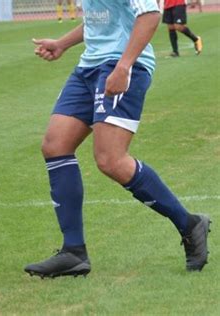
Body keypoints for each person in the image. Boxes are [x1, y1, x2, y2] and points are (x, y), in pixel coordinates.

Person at [25, 0, 210, 279]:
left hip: (122, 65)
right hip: (90, 66)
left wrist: (124, 66)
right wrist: (63, 43)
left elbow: (149, 15)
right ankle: (73, 251)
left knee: (110, 159)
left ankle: (189, 224)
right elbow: (100, 19)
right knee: (55, 146)